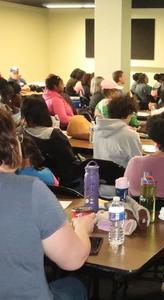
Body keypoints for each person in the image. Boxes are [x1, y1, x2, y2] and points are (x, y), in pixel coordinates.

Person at [0, 108, 95, 300]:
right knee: (75, 286)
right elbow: (73, 260)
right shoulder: (30, 190)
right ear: (10, 144)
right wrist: (82, 228)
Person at [21, 95, 79, 187]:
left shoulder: (21, 136)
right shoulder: (55, 135)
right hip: (61, 183)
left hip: (31, 181)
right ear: (44, 112)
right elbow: (69, 160)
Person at [93, 95, 142, 168]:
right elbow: (137, 164)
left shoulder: (97, 130)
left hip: (98, 174)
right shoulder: (130, 135)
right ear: (129, 113)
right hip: (123, 176)